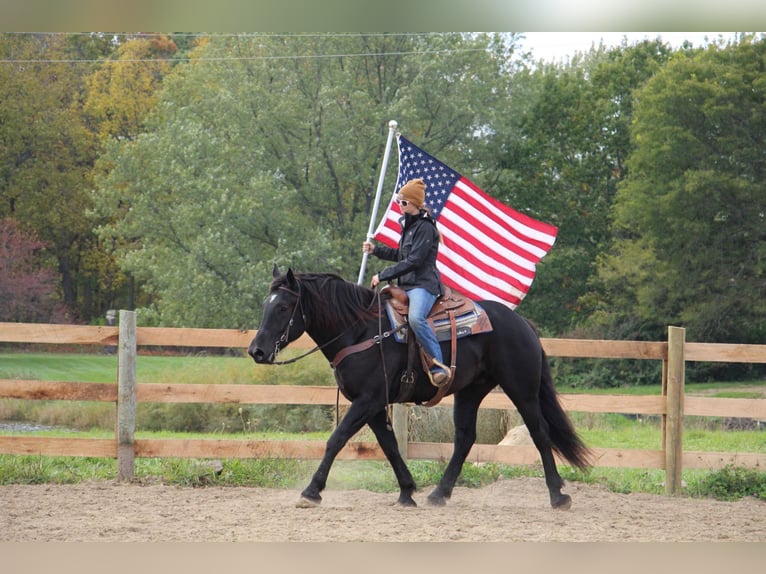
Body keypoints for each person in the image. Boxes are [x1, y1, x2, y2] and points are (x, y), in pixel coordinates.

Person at [363, 178, 451, 386]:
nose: (399, 206)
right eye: (399, 202)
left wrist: (382, 275)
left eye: (403, 202)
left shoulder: (426, 228)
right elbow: (402, 255)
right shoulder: (409, 227)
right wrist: (377, 250)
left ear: (413, 203)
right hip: (406, 285)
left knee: (415, 318)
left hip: (423, 285)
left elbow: (414, 261)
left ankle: (438, 365)